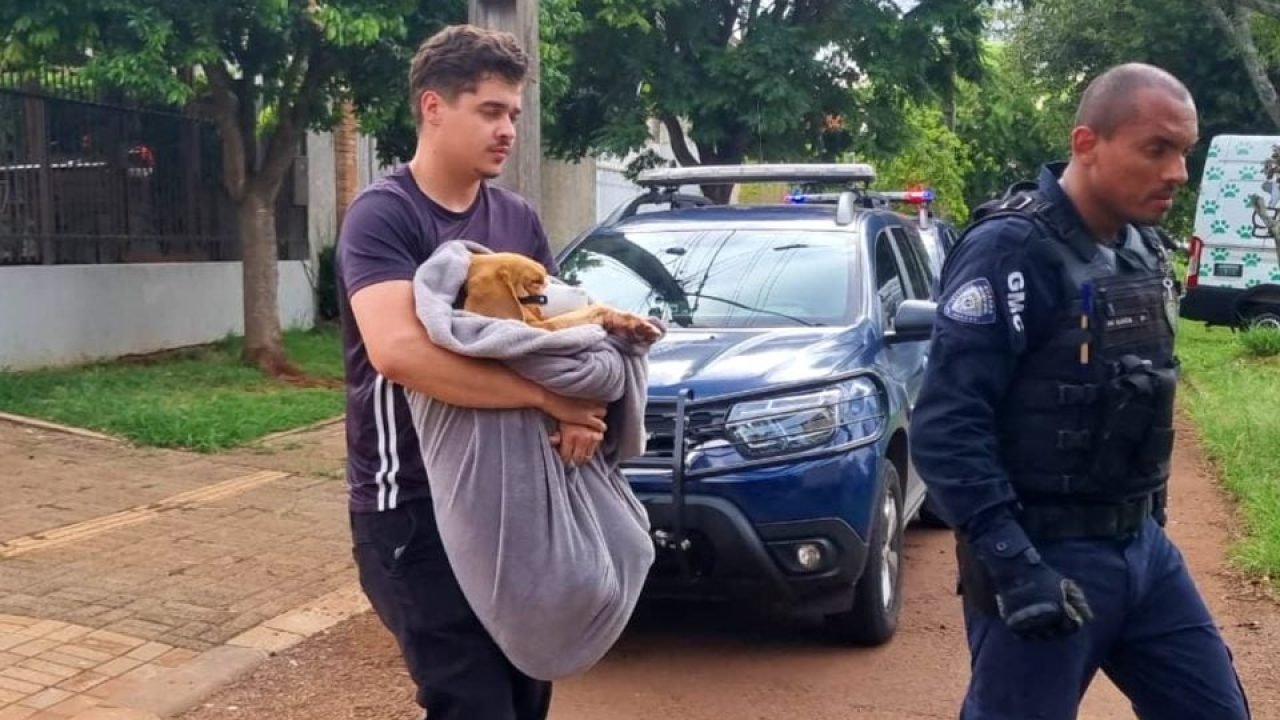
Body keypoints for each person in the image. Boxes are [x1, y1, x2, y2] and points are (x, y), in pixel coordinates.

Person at [909, 63, 1252, 719]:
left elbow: (1139, 402)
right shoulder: (1012, 249)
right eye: (1157, 149)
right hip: (1043, 556)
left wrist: (1152, 524)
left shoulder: (1144, 249)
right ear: (1087, 143)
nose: (1178, 172)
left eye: (1184, 150)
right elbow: (948, 427)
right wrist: (1011, 563)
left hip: (1143, 554)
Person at [336, 24, 608, 720]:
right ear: (433, 108)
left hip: (511, 499)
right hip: (413, 508)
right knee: (471, 702)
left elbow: (549, 335)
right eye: (490, 110)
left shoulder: (516, 220)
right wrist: (548, 399)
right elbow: (399, 353)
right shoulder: (383, 216)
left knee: (525, 693)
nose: (508, 129)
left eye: (513, 113)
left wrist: (579, 415)